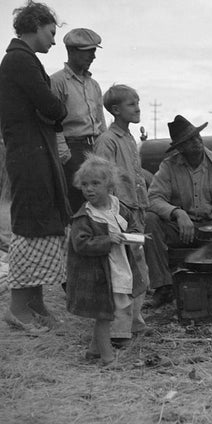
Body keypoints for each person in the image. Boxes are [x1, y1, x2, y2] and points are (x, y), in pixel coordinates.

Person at [0, 0, 71, 329]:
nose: (54, 41)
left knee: (43, 220)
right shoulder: (20, 62)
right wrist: (54, 109)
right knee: (30, 224)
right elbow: (54, 109)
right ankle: (17, 307)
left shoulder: (24, 61)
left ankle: (35, 302)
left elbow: (50, 111)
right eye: (51, 32)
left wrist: (51, 111)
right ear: (35, 26)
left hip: (36, 152)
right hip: (29, 156)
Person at [145, 115, 212, 306]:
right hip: (182, 229)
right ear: (180, 147)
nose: (196, 142)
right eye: (189, 140)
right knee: (150, 220)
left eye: (197, 136)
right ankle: (163, 287)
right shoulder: (168, 166)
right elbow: (153, 199)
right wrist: (178, 213)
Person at [65, 155, 146, 365]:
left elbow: (133, 225)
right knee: (105, 314)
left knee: (111, 310)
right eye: (84, 184)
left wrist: (137, 237)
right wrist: (107, 240)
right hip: (98, 274)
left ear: (109, 184)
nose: (89, 189)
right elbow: (81, 244)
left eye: (95, 183)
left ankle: (93, 351)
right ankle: (108, 358)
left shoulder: (118, 206)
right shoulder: (85, 217)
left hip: (119, 267)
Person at [94, 85, 152, 345]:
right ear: (116, 110)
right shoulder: (108, 140)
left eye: (138, 101)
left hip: (136, 210)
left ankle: (134, 323)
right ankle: (118, 332)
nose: (138, 107)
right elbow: (103, 177)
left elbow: (134, 175)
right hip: (120, 214)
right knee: (122, 271)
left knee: (138, 268)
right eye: (132, 103)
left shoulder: (129, 138)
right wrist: (115, 214)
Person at [50, 27, 107, 212]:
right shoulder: (57, 82)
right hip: (71, 149)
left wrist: (104, 150)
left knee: (99, 203)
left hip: (94, 150)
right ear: (72, 51)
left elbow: (101, 121)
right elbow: (51, 121)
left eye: (94, 51)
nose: (93, 57)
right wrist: (64, 155)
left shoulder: (94, 85)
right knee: (76, 203)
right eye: (89, 52)